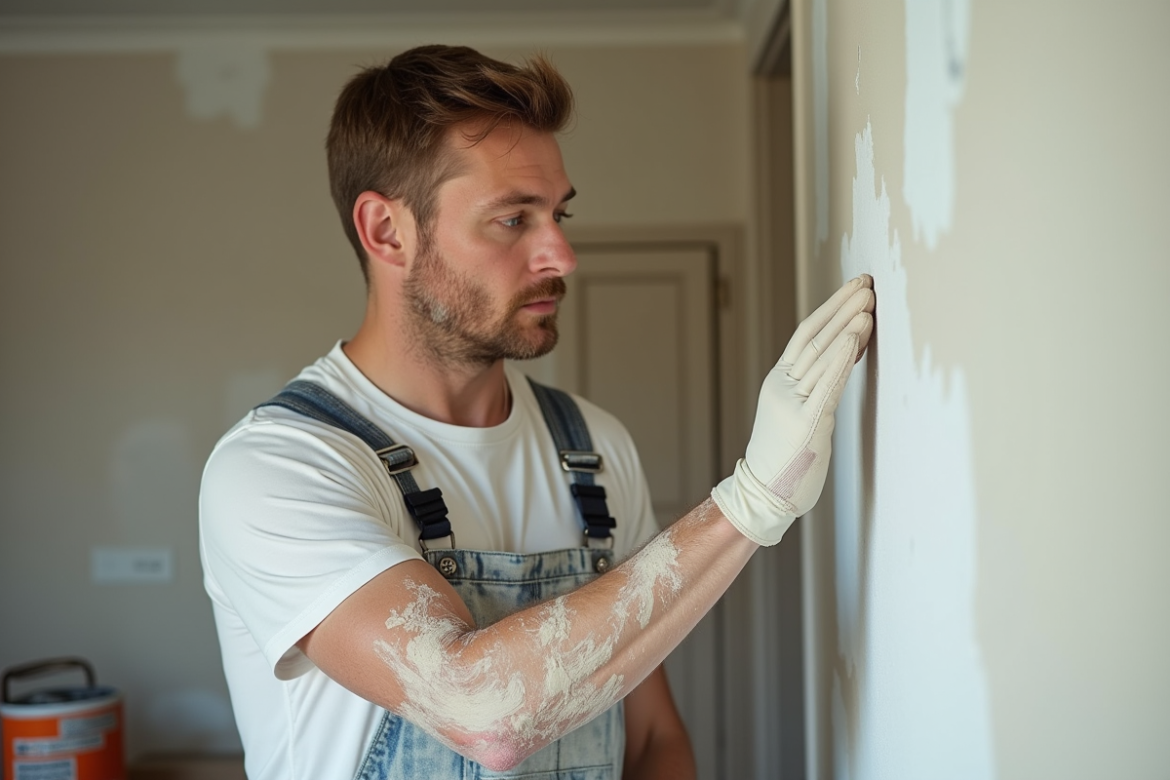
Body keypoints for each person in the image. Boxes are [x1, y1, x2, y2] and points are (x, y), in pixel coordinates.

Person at [199, 44, 874, 780]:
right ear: (387, 232)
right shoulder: (278, 467)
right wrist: (751, 502)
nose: (562, 253)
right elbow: (477, 709)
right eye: (513, 220)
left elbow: (651, 740)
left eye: (558, 213)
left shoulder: (592, 447)